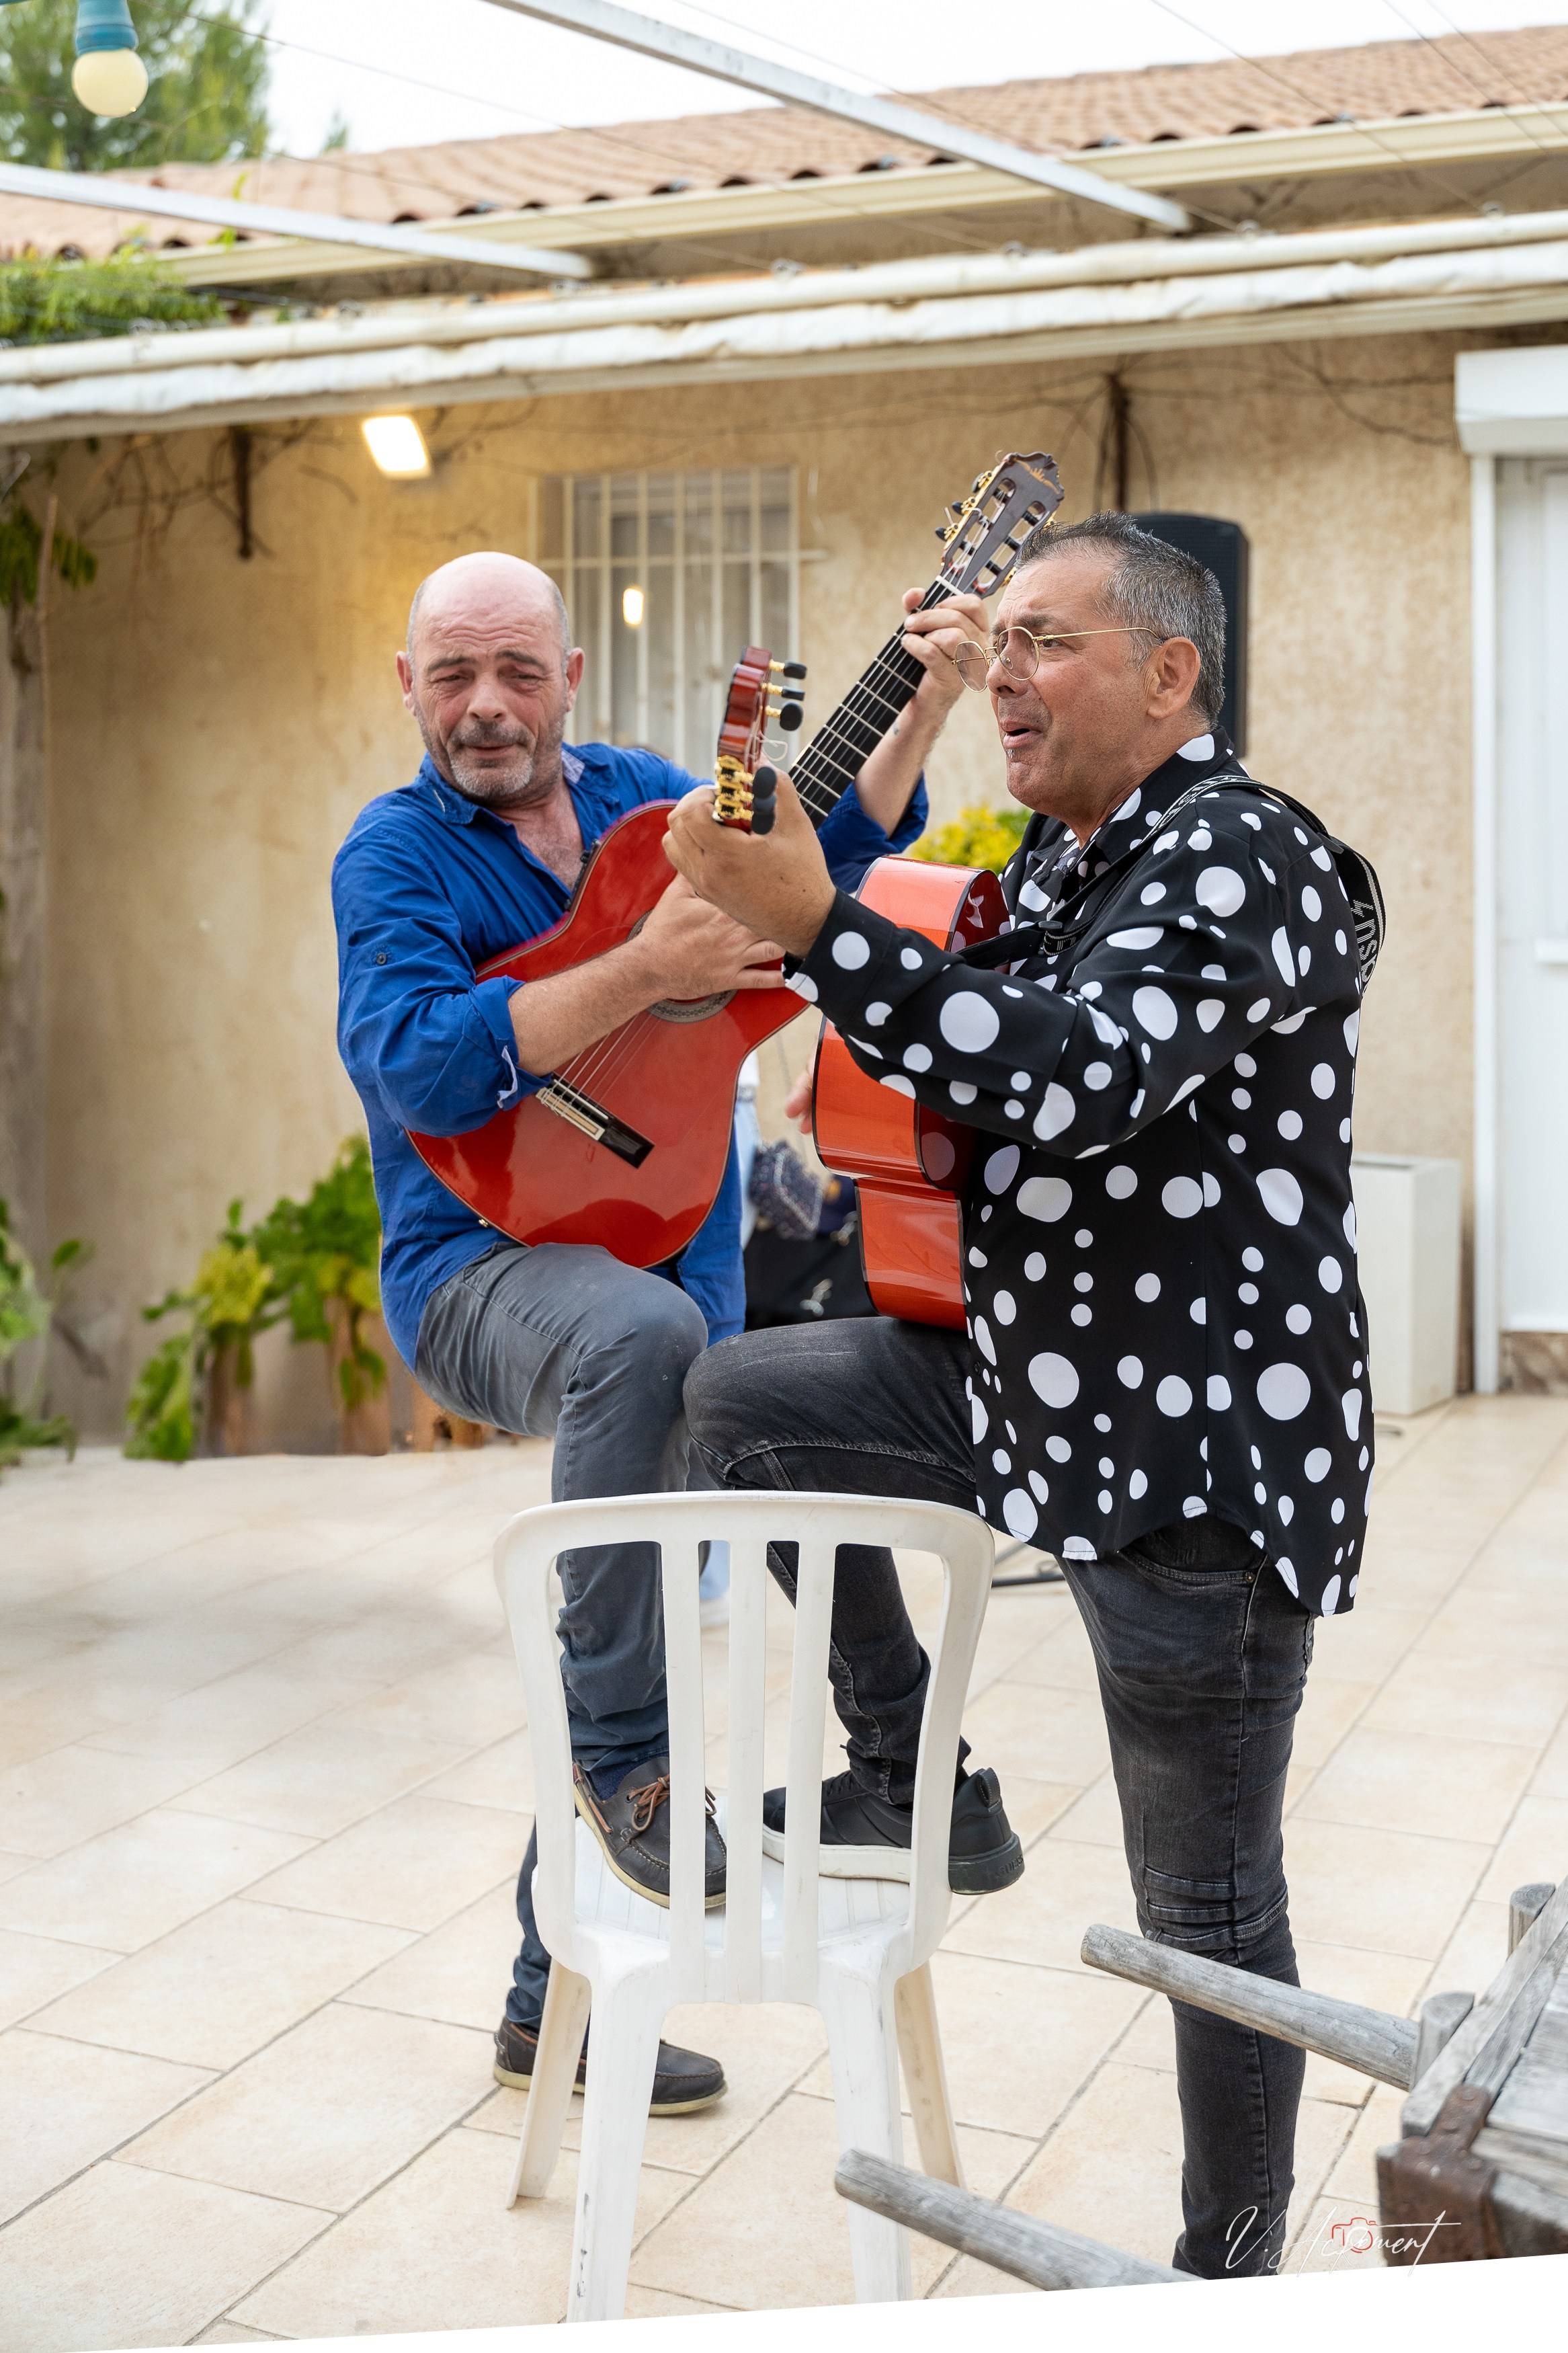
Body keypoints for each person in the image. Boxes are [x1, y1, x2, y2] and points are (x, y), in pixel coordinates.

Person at [670, 512, 1374, 2276]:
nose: (1006, 668)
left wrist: (825, 929)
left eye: (1046, 639)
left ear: (1166, 672)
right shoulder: (1062, 864)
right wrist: (807, 910)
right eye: (1002, 639)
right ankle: (912, 1764)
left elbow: (1078, 1078)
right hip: (1022, 1385)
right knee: (739, 1396)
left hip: (1187, 1455)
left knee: (1201, 1906)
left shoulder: (1238, 853)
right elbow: (949, 1054)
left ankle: (1226, 2276)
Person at [331, 549, 1003, 2118]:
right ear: (412, 688)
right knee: (650, 1366)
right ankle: (633, 1755)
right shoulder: (397, 856)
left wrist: (928, 696)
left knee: (755, 1397)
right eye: (452, 675)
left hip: (664, 1258)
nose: (485, 706)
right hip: (479, 1262)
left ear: (570, 675)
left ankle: (891, 1766)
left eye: (514, 670)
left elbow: (832, 852)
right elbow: (426, 1070)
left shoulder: (650, 797)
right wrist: (643, 968)